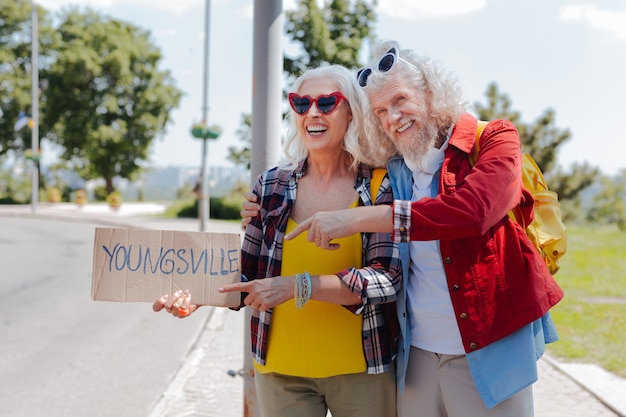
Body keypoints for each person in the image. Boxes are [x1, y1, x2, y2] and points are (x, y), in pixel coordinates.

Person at [241, 41, 565, 417]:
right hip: (418, 355)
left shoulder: (494, 138)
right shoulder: (393, 166)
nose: (392, 117)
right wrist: (252, 213)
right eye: (380, 110)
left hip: (489, 345)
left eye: (400, 100)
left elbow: (475, 211)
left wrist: (357, 219)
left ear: (429, 92)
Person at [155, 64, 402, 417]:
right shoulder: (270, 186)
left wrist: (298, 286)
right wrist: (196, 297)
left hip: (363, 369)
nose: (312, 112)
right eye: (301, 103)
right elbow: (248, 274)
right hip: (281, 372)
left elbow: (387, 280)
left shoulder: (378, 185)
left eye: (327, 102)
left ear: (351, 111)